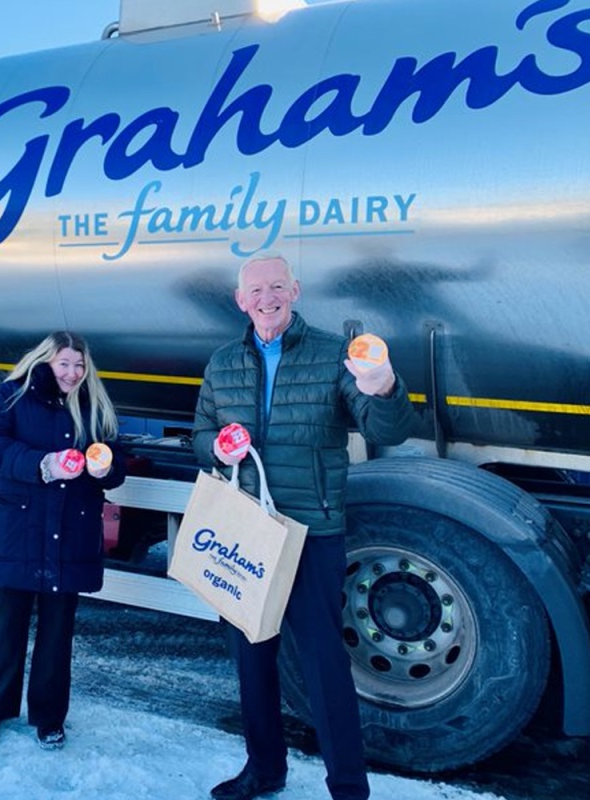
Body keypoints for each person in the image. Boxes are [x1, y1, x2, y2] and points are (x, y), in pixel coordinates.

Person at [193, 253, 419, 800]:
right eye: (255, 291)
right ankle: (263, 769)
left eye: (277, 286)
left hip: (311, 533)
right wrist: (219, 448)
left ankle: (348, 785)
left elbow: (391, 426)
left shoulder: (334, 355)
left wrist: (383, 385)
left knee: (324, 665)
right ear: (240, 302)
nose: (266, 297)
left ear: (294, 289)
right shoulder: (223, 363)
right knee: (252, 660)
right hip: (247, 534)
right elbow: (201, 434)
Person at [0, 331, 127, 750]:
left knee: (58, 632)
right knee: (6, 624)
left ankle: (49, 716)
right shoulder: (11, 396)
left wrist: (105, 468)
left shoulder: (94, 405)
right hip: (18, 530)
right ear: (46, 362)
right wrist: (44, 464)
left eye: (79, 365)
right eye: (64, 364)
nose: (73, 373)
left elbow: (117, 460)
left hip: (70, 531)